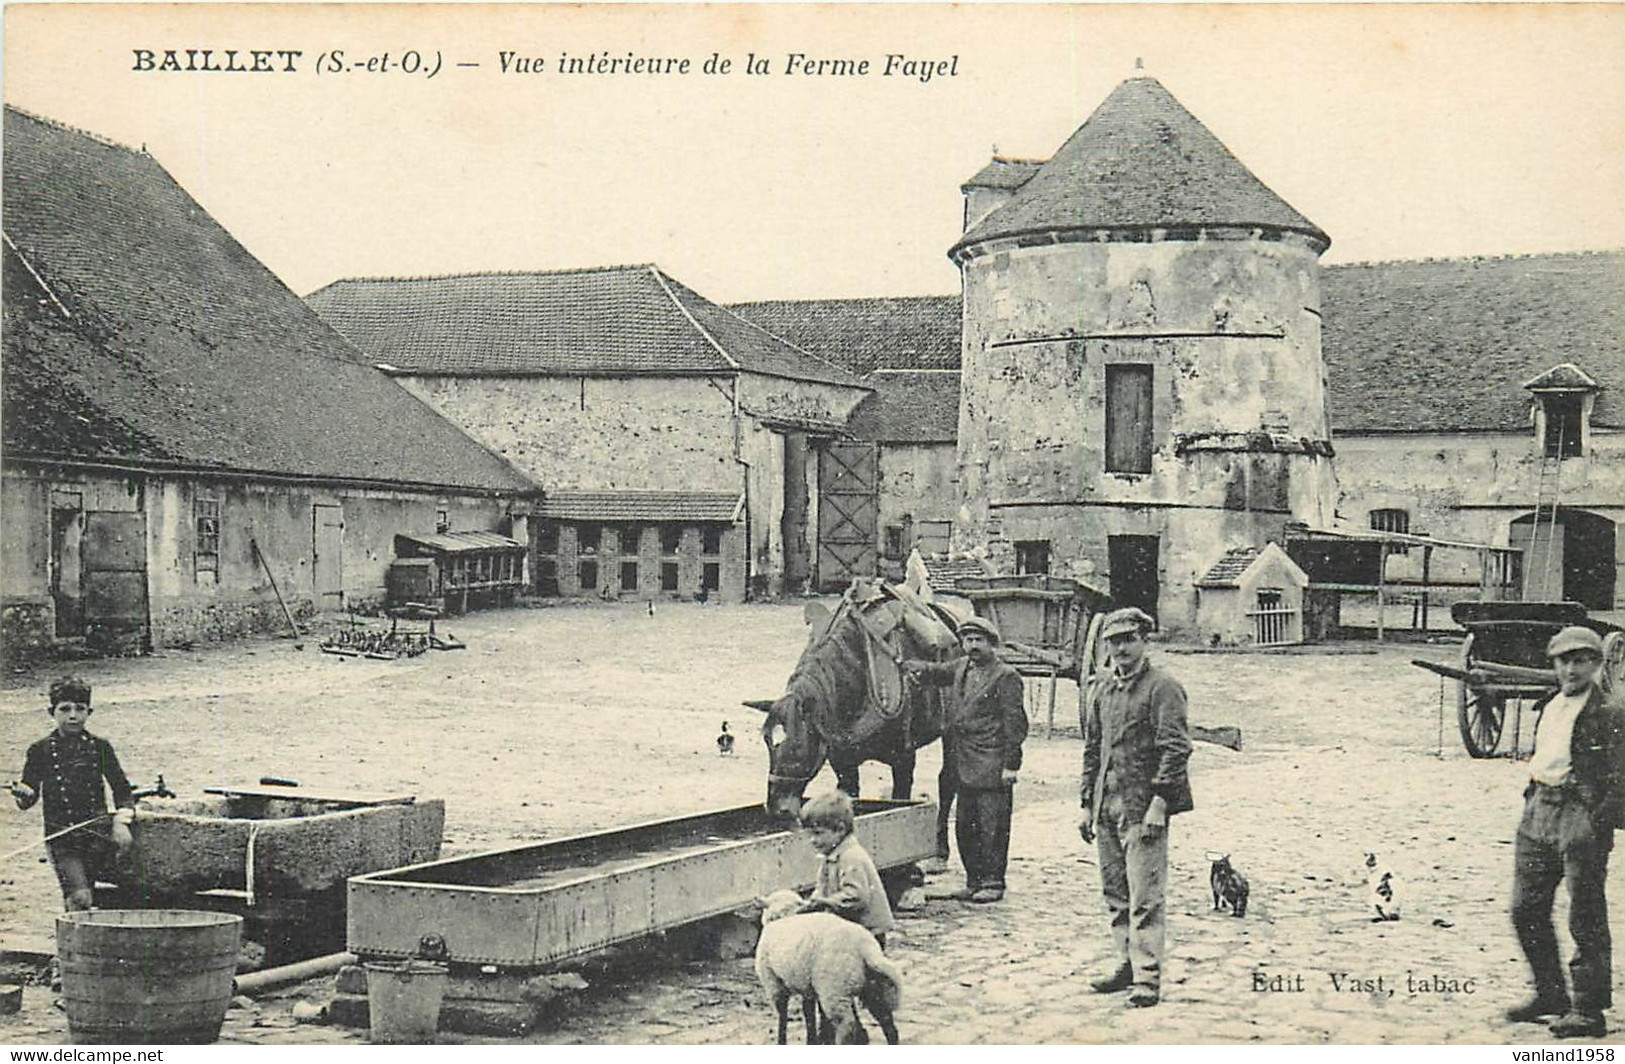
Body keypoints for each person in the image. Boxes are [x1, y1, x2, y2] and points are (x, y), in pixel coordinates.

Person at [1505, 626, 1625, 1039]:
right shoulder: (1550, 705)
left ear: (1596, 664)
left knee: (1585, 915)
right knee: (1525, 908)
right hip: (1539, 809)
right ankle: (1550, 993)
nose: (1571, 669)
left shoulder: (1609, 712)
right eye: (1564, 661)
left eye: (1581, 661)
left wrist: (1596, 820)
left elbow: (1621, 778)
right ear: (1553, 664)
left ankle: (1588, 1011)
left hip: (1580, 814)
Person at [1078, 607, 1192, 1008]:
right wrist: (1086, 804)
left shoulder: (1163, 688)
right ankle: (1125, 962)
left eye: (1128, 639)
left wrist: (1160, 803)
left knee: (1146, 896)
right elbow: (1094, 748)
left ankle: (1147, 978)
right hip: (1107, 805)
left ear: (1145, 641)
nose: (1121, 648)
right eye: (1114, 641)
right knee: (1115, 892)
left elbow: (1176, 749)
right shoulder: (1103, 689)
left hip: (1143, 807)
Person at [904, 616, 1027, 903]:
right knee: (965, 825)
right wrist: (911, 666)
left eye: (978, 641)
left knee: (992, 825)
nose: (972, 646)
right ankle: (973, 881)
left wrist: (1011, 765)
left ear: (991, 644)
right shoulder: (961, 667)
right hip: (963, 760)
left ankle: (993, 881)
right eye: (968, 641)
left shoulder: (1005, 676)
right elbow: (937, 672)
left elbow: (1016, 725)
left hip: (991, 761)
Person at [9, 676, 135, 911]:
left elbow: (122, 790)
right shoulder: (40, 750)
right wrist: (23, 794)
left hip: (97, 836)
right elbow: (28, 796)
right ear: (52, 712)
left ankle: (76, 943)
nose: (73, 716)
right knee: (80, 897)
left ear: (90, 711)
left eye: (80, 709)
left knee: (87, 898)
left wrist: (121, 822)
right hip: (62, 838)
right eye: (65, 709)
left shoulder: (100, 747)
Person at [798, 790, 895, 946]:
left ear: (840, 830)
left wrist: (824, 902)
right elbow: (822, 887)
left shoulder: (851, 857)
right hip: (851, 929)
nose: (812, 840)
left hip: (867, 931)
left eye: (818, 834)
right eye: (809, 835)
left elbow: (856, 896)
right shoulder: (831, 854)